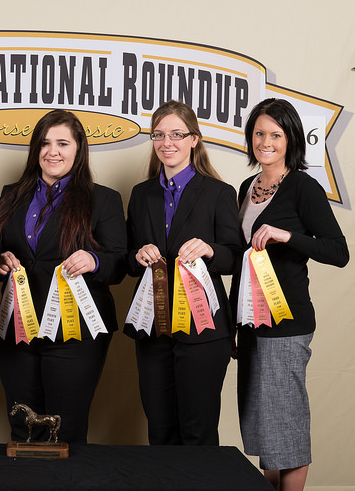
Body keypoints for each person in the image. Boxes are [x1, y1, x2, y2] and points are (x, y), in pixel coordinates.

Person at [0, 109, 127, 444]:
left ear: (78, 149)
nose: (53, 151)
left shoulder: (103, 199)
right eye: (45, 143)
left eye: (63, 143)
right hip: (18, 330)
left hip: (76, 333)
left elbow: (119, 263)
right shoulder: (11, 194)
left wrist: (94, 260)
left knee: (64, 430)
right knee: (23, 427)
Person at [233, 98, 349, 491]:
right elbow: (242, 260)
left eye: (275, 135)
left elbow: (339, 251)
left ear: (291, 140)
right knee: (267, 429)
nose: (265, 141)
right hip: (252, 322)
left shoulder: (303, 186)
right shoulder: (246, 188)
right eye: (259, 133)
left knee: (288, 429)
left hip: (287, 322)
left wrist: (288, 236)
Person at [125, 100, 242, 446]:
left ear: (194, 139)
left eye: (177, 134)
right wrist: (138, 254)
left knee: (198, 432)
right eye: (159, 135)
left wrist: (210, 250)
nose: (167, 142)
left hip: (203, 331)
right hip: (153, 328)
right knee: (159, 432)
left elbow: (235, 258)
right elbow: (127, 261)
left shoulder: (219, 193)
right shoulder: (140, 194)